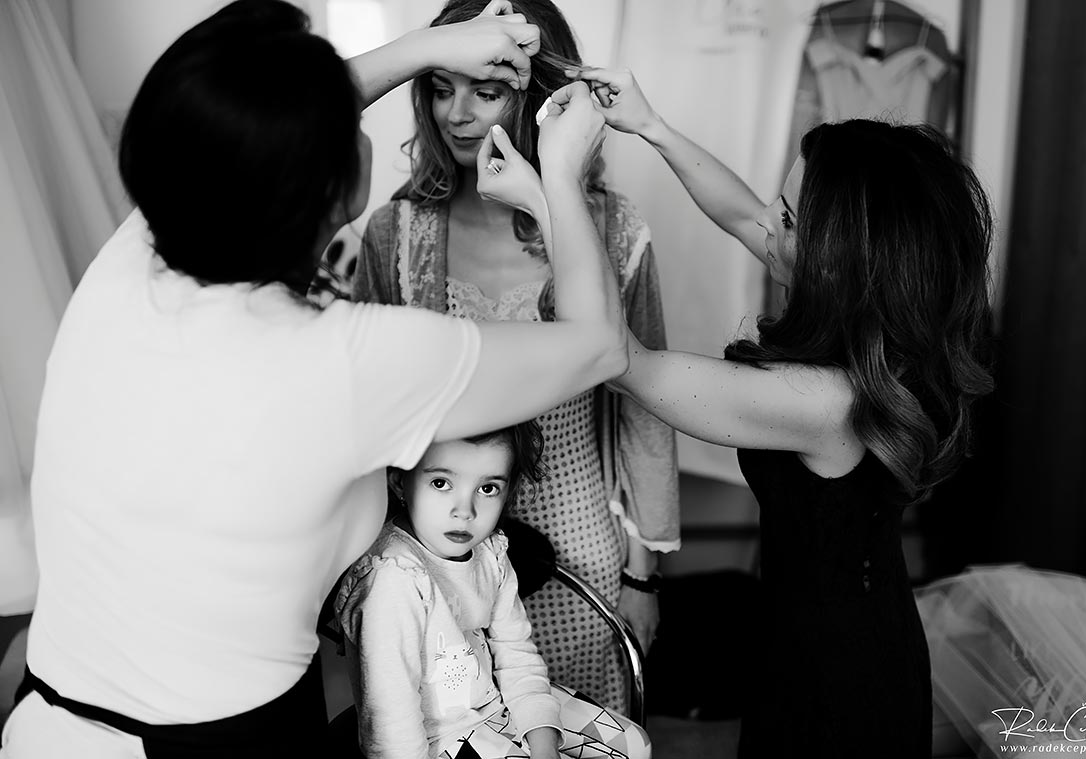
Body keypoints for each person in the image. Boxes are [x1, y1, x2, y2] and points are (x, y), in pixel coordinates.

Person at [0, 1, 628, 756]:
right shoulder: (348, 360)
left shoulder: (134, 259)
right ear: (338, 187)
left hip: (47, 720)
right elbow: (599, 347)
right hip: (219, 741)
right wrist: (559, 172)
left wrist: (440, 44)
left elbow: (247, 123)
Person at [572, 67, 995, 756]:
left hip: (839, 678)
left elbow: (617, 360)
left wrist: (554, 184)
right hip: (822, 628)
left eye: (791, 219)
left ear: (837, 259)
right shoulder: (885, 343)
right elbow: (745, 214)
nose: (769, 223)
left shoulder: (823, 401)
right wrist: (651, 125)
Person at [334, 0, 679, 714]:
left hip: (579, 548)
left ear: (540, 99)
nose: (456, 114)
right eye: (438, 86)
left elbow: (645, 415)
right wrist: (359, 574)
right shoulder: (395, 234)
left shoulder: (615, 233)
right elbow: (364, 424)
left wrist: (642, 577)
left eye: (484, 91)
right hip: (437, 563)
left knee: (571, 727)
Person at [333, 421, 652, 759]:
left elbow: (517, 655)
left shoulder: (491, 553)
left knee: (635, 745)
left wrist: (544, 743)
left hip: (498, 700)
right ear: (399, 481)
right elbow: (390, 720)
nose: (465, 511)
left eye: (487, 488)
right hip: (438, 735)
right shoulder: (393, 577)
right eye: (441, 483)